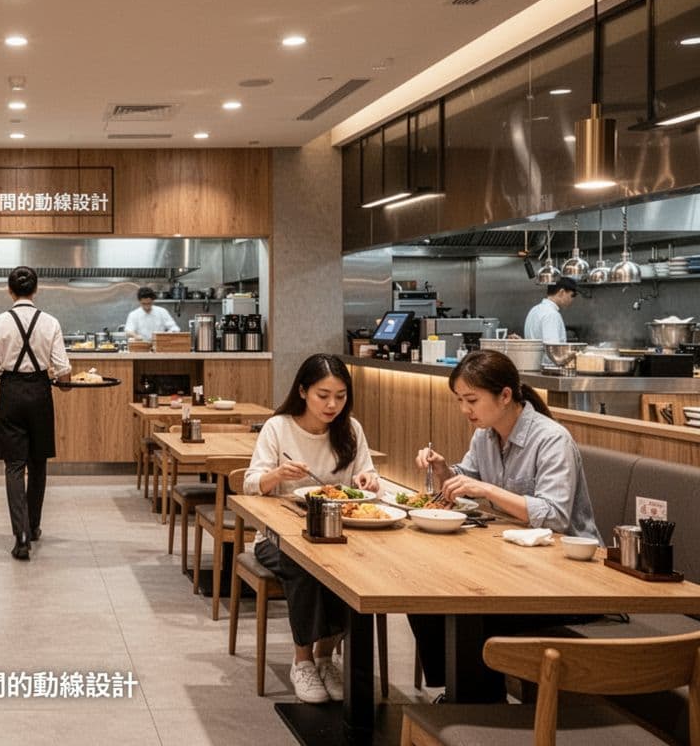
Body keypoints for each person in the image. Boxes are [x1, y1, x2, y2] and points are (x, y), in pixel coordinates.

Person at [409, 349, 602, 702]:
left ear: (505, 395)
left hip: (572, 578)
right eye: (459, 401)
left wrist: (487, 490)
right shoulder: (485, 434)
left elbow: (555, 515)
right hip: (518, 563)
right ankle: (461, 694)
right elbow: (468, 478)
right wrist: (442, 470)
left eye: (472, 400)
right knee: (422, 588)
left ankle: (477, 704)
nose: (465, 410)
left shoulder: (551, 439)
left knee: (474, 612)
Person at [243, 353, 379, 704]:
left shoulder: (351, 430)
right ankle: (302, 659)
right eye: (323, 395)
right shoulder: (280, 427)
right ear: (303, 391)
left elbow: (367, 478)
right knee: (303, 564)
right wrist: (277, 476)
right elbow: (250, 483)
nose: (332, 404)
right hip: (278, 535)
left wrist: (368, 479)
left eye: (340, 396)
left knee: (357, 567)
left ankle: (325, 656)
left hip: (337, 530)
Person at [0, 266, 71, 560]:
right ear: (36, 289)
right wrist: (65, 385)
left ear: (9, 290)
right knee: (38, 463)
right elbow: (63, 368)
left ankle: (20, 536)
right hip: (41, 393)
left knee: (14, 465)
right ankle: (34, 525)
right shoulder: (51, 322)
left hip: (11, 394)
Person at [522, 276, 576, 362]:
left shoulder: (535, 309)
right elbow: (553, 352)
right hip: (548, 369)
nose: (573, 300)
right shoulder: (552, 315)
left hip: (534, 366)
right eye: (573, 295)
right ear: (561, 292)